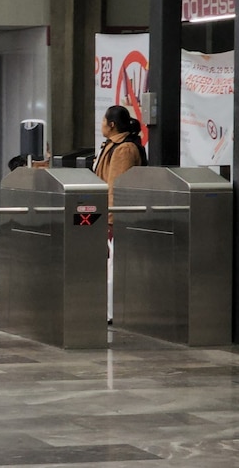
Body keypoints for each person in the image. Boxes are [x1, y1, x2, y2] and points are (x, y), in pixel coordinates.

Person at [93, 104, 146, 324]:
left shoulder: (124, 149)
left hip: (116, 216)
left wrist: (110, 217)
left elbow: (116, 187)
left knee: (113, 264)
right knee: (108, 263)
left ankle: (111, 311)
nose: (102, 125)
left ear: (112, 124)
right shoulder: (111, 145)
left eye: (104, 121)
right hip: (107, 213)